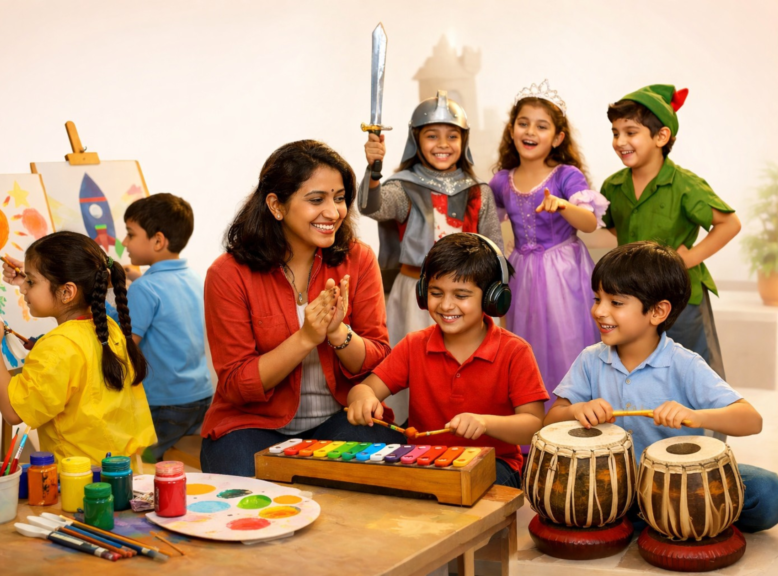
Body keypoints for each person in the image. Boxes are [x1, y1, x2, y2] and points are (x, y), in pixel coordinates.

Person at [544, 242, 778, 532]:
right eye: (597, 299)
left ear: (658, 311)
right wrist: (577, 410)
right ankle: (664, 521)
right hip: (609, 485)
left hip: (679, 484)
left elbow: (751, 420)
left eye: (616, 303)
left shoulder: (684, 364)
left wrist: (696, 416)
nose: (599, 311)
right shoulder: (590, 360)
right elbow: (550, 420)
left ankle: (670, 518)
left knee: (768, 492)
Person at [199, 140, 403, 477]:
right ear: (276, 205)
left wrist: (338, 333)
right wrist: (306, 337)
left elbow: (378, 360)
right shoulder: (227, 273)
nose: (333, 212)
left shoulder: (358, 258)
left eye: (339, 198)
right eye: (316, 200)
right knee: (243, 494)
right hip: (251, 424)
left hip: (340, 419)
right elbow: (236, 384)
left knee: (384, 474)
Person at [347, 233, 548, 488]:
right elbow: (365, 389)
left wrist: (485, 423)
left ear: (492, 298)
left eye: (461, 295)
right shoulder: (414, 345)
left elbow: (533, 426)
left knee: (468, 490)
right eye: (436, 292)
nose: (446, 305)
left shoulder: (515, 351)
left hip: (495, 464)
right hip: (423, 462)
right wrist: (362, 398)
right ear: (423, 293)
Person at [361, 90, 503, 422]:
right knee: (414, 369)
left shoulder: (478, 191)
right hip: (416, 295)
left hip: (469, 298)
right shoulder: (403, 187)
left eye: (452, 136)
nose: (443, 144)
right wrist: (373, 170)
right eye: (432, 135)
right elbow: (371, 206)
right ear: (416, 140)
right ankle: (410, 430)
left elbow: (494, 249)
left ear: (464, 140)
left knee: (469, 372)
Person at [0, 231, 155, 465]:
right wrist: (35, 278)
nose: (23, 289)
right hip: (119, 470)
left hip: (77, 478)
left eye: (31, 282)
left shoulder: (57, 347)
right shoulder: (108, 327)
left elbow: (13, 412)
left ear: (67, 292)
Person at [600, 84, 741, 376]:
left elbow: (729, 224)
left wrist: (686, 259)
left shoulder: (685, 185)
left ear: (661, 136)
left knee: (691, 371)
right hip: (632, 300)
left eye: (630, 132)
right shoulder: (612, 186)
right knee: (640, 370)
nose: (620, 141)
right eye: (615, 133)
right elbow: (614, 225)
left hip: (681, 300)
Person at [490, 81, 609, 404]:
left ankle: (573, 412)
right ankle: (533, 416)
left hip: (564, 272)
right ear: (512, 130)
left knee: (566, 340)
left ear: (557, 138)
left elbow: (589, 222)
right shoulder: (501, 181)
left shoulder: (566, 175)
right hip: (522, 273)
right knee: (526, 343)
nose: (531, 131)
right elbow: (487, 222)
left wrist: (564, 206)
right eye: (523, 123)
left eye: (542, 126)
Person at [121, 193, 213, 461]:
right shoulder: (194, 278)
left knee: (141, 462)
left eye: (130, 234)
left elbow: (125, 345)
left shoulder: (144, 289)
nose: (124, 242)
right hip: (201, 396)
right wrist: (138, 279)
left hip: (164, 403)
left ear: (158, 240)